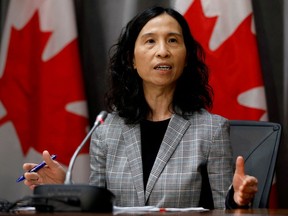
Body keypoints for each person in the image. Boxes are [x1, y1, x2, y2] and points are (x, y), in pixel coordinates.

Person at [22, 6, 258, 209]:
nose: (163, 51)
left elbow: (225, 208)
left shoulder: (212, 129)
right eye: (150, 41)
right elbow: (97, 209)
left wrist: (237, 201)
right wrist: (65, 187)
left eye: (173, 40)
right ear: (132, 59)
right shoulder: (105, 132)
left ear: (186, 58)